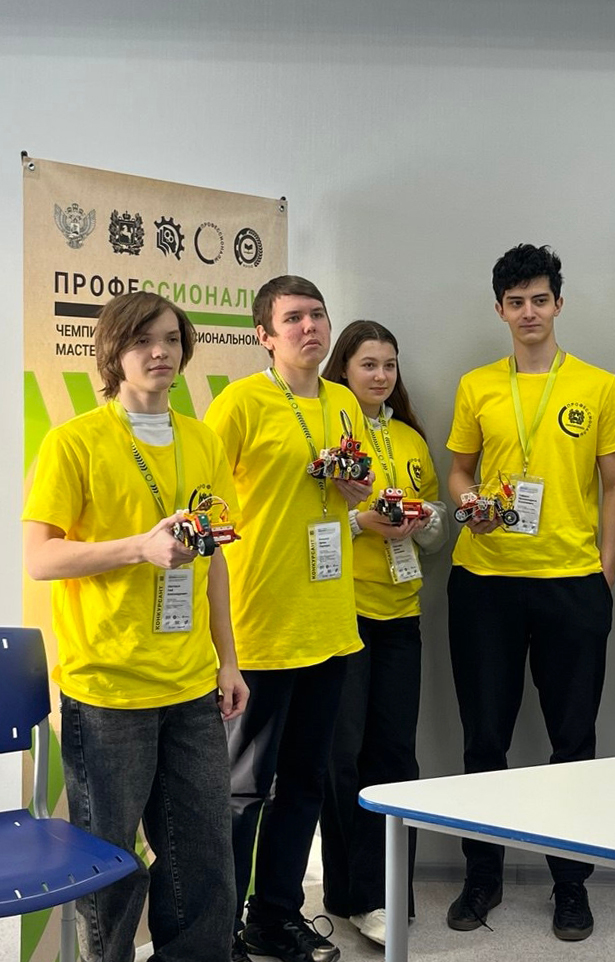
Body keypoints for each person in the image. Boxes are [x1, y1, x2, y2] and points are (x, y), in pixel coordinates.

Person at [22, 291, 248, 962]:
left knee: (204, 853)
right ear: (112, 354)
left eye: (172, 339)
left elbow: (213, 560)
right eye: (143, 340)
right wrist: (137, 548)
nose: (160, 352)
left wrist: (228, 660)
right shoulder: (74, 442)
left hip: (191, 685)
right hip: (108, 689)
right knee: (110, 862)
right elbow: (39, 559)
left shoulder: (202, 440)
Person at [444, 244, 615, 941]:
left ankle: (570, 885)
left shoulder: (599, 386)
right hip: (484, 583)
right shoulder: (477, 386)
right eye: (516, 302)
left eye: (540, 299)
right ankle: (482, 877)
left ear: (559, 303)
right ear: (500, 310)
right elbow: (458, 471)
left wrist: (604, 572)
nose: (529, 312)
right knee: (483, 741)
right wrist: (469, 504)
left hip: (570, 586)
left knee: (573, 741)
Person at [204, 276, 371, 962]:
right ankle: (219, 930)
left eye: (318, 315)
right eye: (294, 318)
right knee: (243, 791)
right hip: (261, 625)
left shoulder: (343, 402)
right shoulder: (240, 403)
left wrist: (355, 490)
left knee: (305, 784)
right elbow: (206, 506)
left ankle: (275, 916)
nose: (310, 327)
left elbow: (348, 493)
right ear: (264, 336)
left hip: (328, 624)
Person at [319, 320, 448, 946]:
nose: (380, 375)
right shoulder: (326, 434)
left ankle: (385, 895)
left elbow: (437, 532)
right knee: (341, 759)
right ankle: (349, 893)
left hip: (401, 615)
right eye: (368, 364)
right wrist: (360, 522)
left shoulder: (410, 439)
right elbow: (305, 524)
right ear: (343, 369)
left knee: (396, 758)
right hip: (341, 614)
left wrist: (421, 522)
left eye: (389, 365)